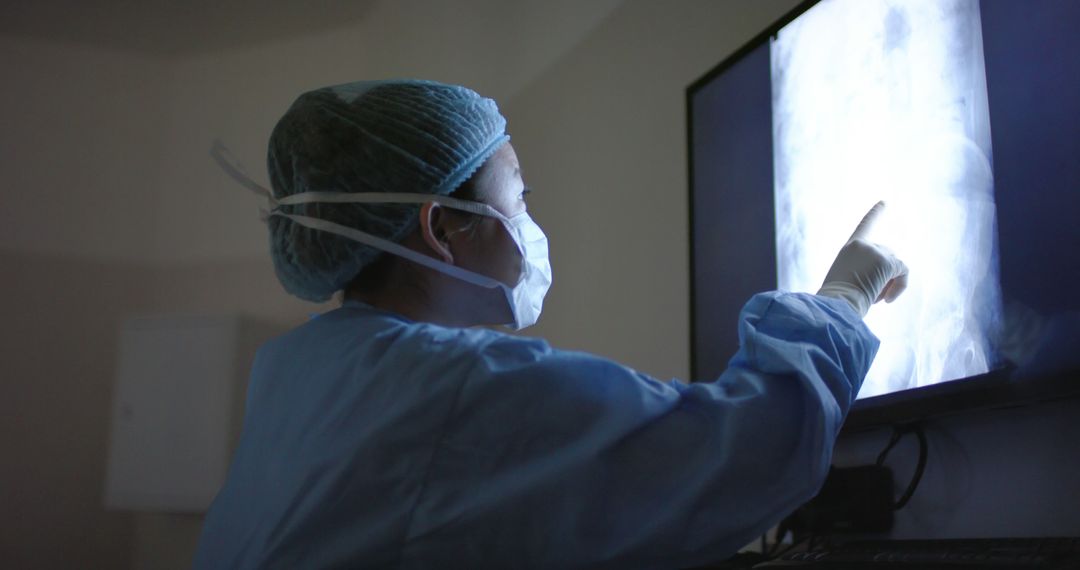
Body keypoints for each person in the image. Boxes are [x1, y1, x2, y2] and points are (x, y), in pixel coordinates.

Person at [194, 80, 908, 569]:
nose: (531, 224)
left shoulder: (297, 374)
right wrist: (851, 288)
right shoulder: (448, 390)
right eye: (519, 197)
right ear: (442, 228)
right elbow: (748, 453)